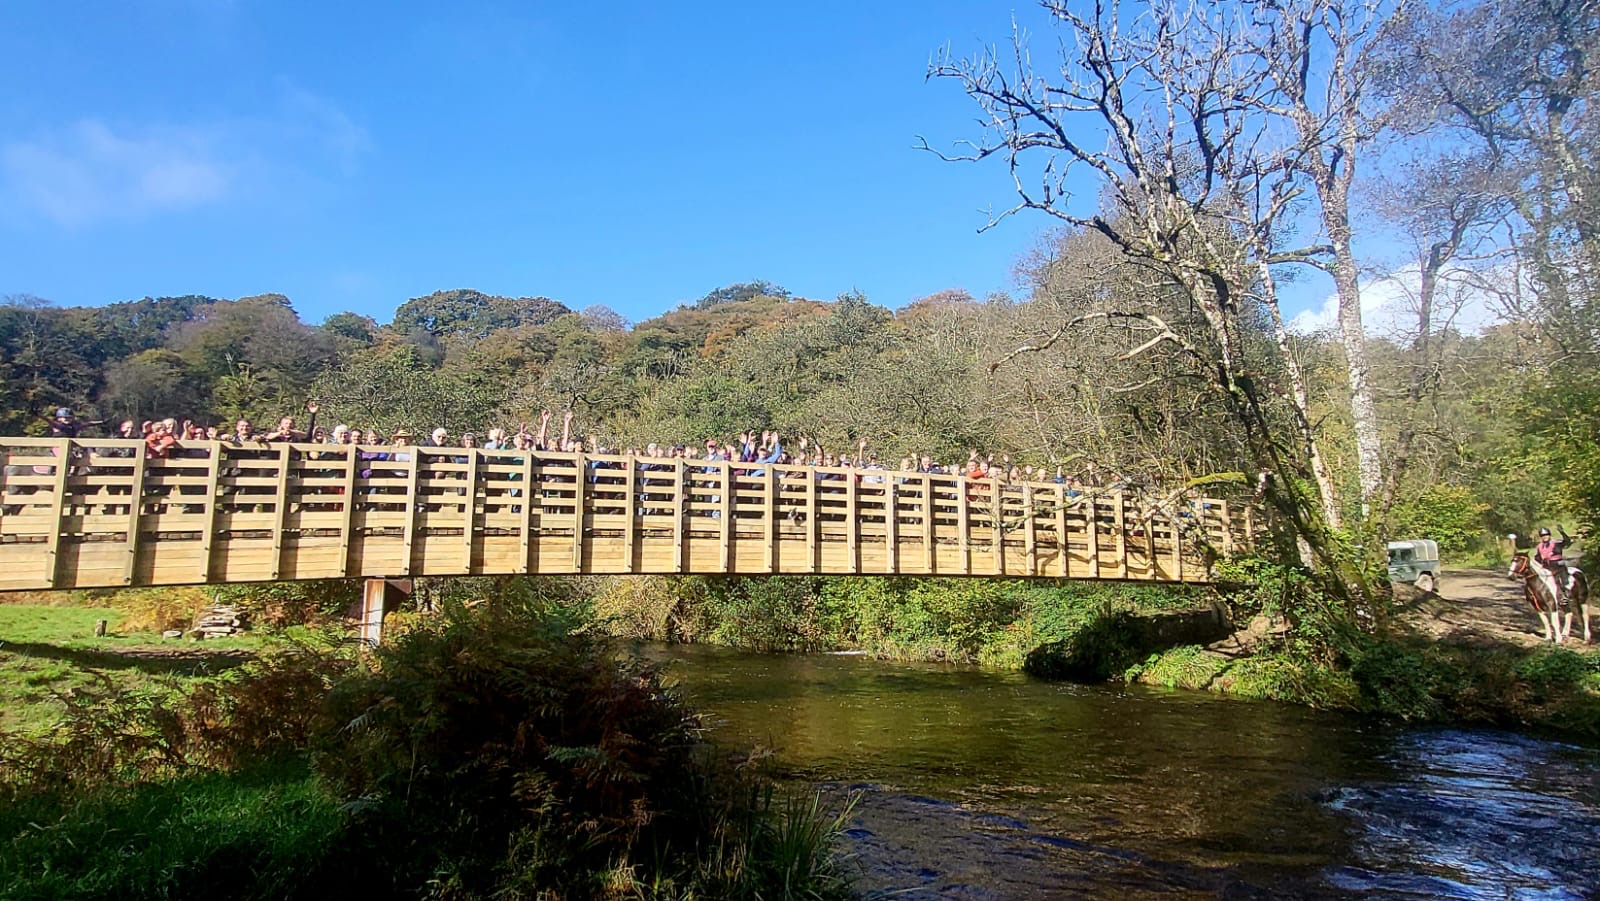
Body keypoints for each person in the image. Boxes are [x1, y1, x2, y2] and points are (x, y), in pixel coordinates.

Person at [1534, 526, 1575, 601]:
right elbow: (1537, 557)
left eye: (1546, 535)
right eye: (1543, 536)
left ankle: (1566, 594)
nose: (1545, 537)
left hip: (1558, 565)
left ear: (1549, 535)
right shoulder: (1539, 546)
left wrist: (1562, 532)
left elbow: (1567, 542)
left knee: (1562, 579)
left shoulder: (1556, 543)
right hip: (1546, 567)